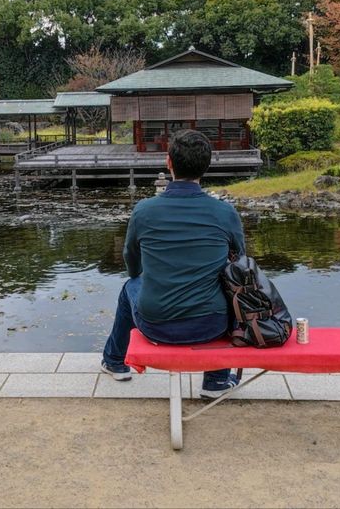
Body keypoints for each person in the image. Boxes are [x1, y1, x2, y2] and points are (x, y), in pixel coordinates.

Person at [102, 129, 246, 398]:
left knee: (129, 287)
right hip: (212, 324)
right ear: (206, 165)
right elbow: (240, 262)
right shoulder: (224, 213)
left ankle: (115, 362)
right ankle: (215, 380)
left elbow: (130, 258)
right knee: (227, 291)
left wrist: (140, 277)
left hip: (156, 323)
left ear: (168, 162)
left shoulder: (144, 210)